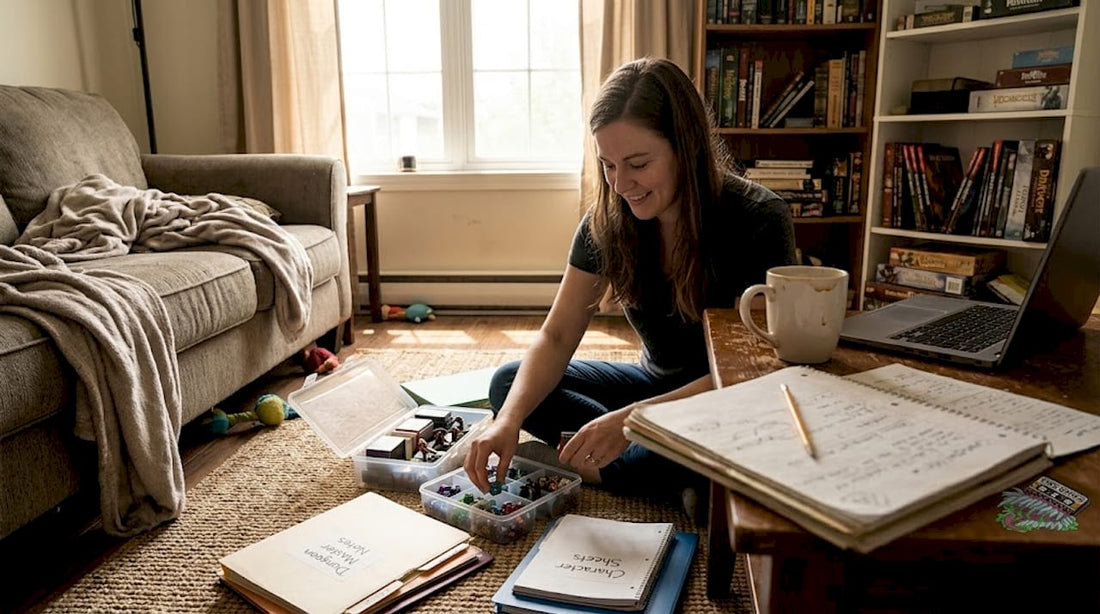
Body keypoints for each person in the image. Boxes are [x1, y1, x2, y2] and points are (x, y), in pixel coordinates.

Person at [463, 57, 797, 516]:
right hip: (652, 385)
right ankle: (673, 473)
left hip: (724, 398)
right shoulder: (607, 220)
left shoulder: (759, 219)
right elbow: (557, 336)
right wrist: (506, 422)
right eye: (608, 165)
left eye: (638, 164)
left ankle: (617, 466)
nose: (621, 184)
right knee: (508, 385)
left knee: (761, 440)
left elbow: (758, 371)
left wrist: (632, 422)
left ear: (686, 147)